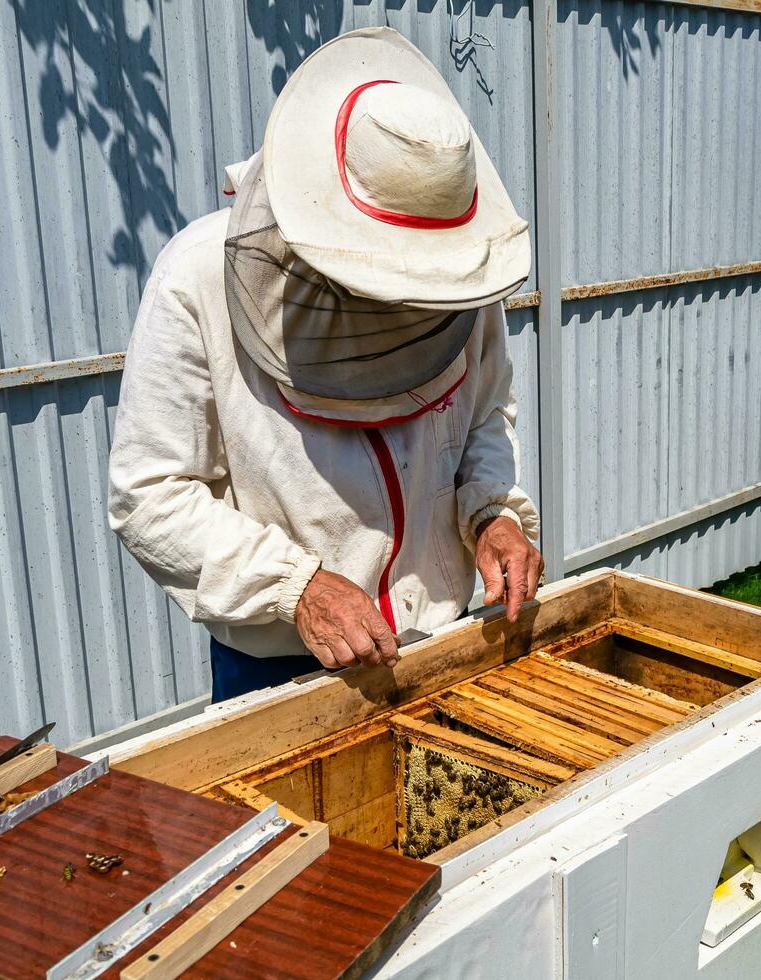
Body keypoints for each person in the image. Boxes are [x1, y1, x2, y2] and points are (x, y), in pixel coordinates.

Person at [108, 26, 542, 703]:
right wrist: (294, 585)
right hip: (283, 666)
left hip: (445, 636)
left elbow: (486, 415)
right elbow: (151, 494)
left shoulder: (461, 274)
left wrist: (493, 514)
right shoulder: (195, 279)